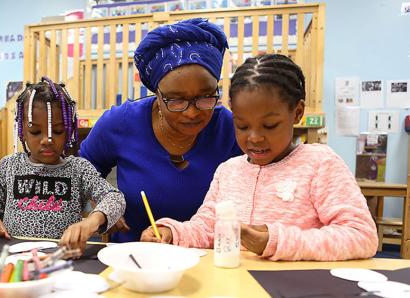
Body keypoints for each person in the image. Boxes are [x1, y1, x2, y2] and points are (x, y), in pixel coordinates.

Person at [141, 54, 378, 261]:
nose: (254, 138)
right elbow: (206, 227)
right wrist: (172, 233)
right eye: (242, 126)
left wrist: (277, 241)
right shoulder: (228, 170)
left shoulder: (319, 164)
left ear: (297, 112)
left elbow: (362, 236)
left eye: (269, 125)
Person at [80, 18, 243, 242]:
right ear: (156, 93)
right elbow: (81, 173)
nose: (192, 112)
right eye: (176, 100)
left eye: (206, 96)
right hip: (133, 257)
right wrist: (101, 208)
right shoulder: (120, 123)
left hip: (208, 258)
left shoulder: (230, 128)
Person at [0, 77, 125, 254]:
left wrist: (91, 222)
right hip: (15, 261)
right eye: (35, 131)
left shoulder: (78, 169)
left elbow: (115, 198)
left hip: (61, 262)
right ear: (22, 131)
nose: (47, 140)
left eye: (57, 131)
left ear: (69, 130)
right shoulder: (8, 166)